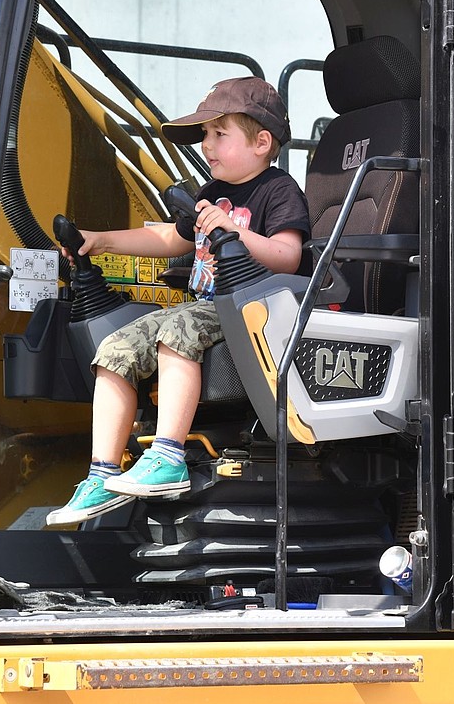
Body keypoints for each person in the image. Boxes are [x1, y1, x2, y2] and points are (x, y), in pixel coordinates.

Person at [46, 77, 310, 526]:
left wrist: (234, 231)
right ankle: (101, 473)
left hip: (254, 308)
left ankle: (168, 456)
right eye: (205, 135)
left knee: (177, 329)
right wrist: (102, 239)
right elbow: (172, 237)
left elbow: (289, 257)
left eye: (218, 134)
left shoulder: (278, 190)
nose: (207, 145)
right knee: (114, 350)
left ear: (262, 142)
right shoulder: (210, 191)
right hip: (207, 306)